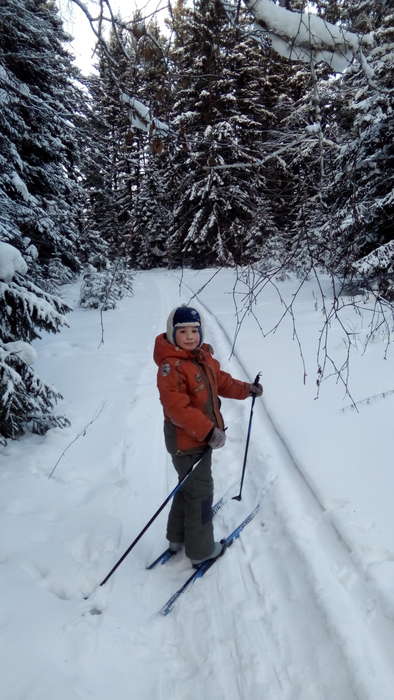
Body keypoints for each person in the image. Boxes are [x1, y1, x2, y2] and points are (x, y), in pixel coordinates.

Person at [153, 305, 263, 567]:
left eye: (194, 330)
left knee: (187, 487)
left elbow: (221, 382)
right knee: (200, 493)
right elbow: (177, 408)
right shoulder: (171, 367)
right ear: (172, 333)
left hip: (198, 440)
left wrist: (247, 389)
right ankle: (201, 551)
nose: (190, 336)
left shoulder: (201, 358)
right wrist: (208, 431)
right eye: (183, 331)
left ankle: (176, 538)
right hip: (186, 442)